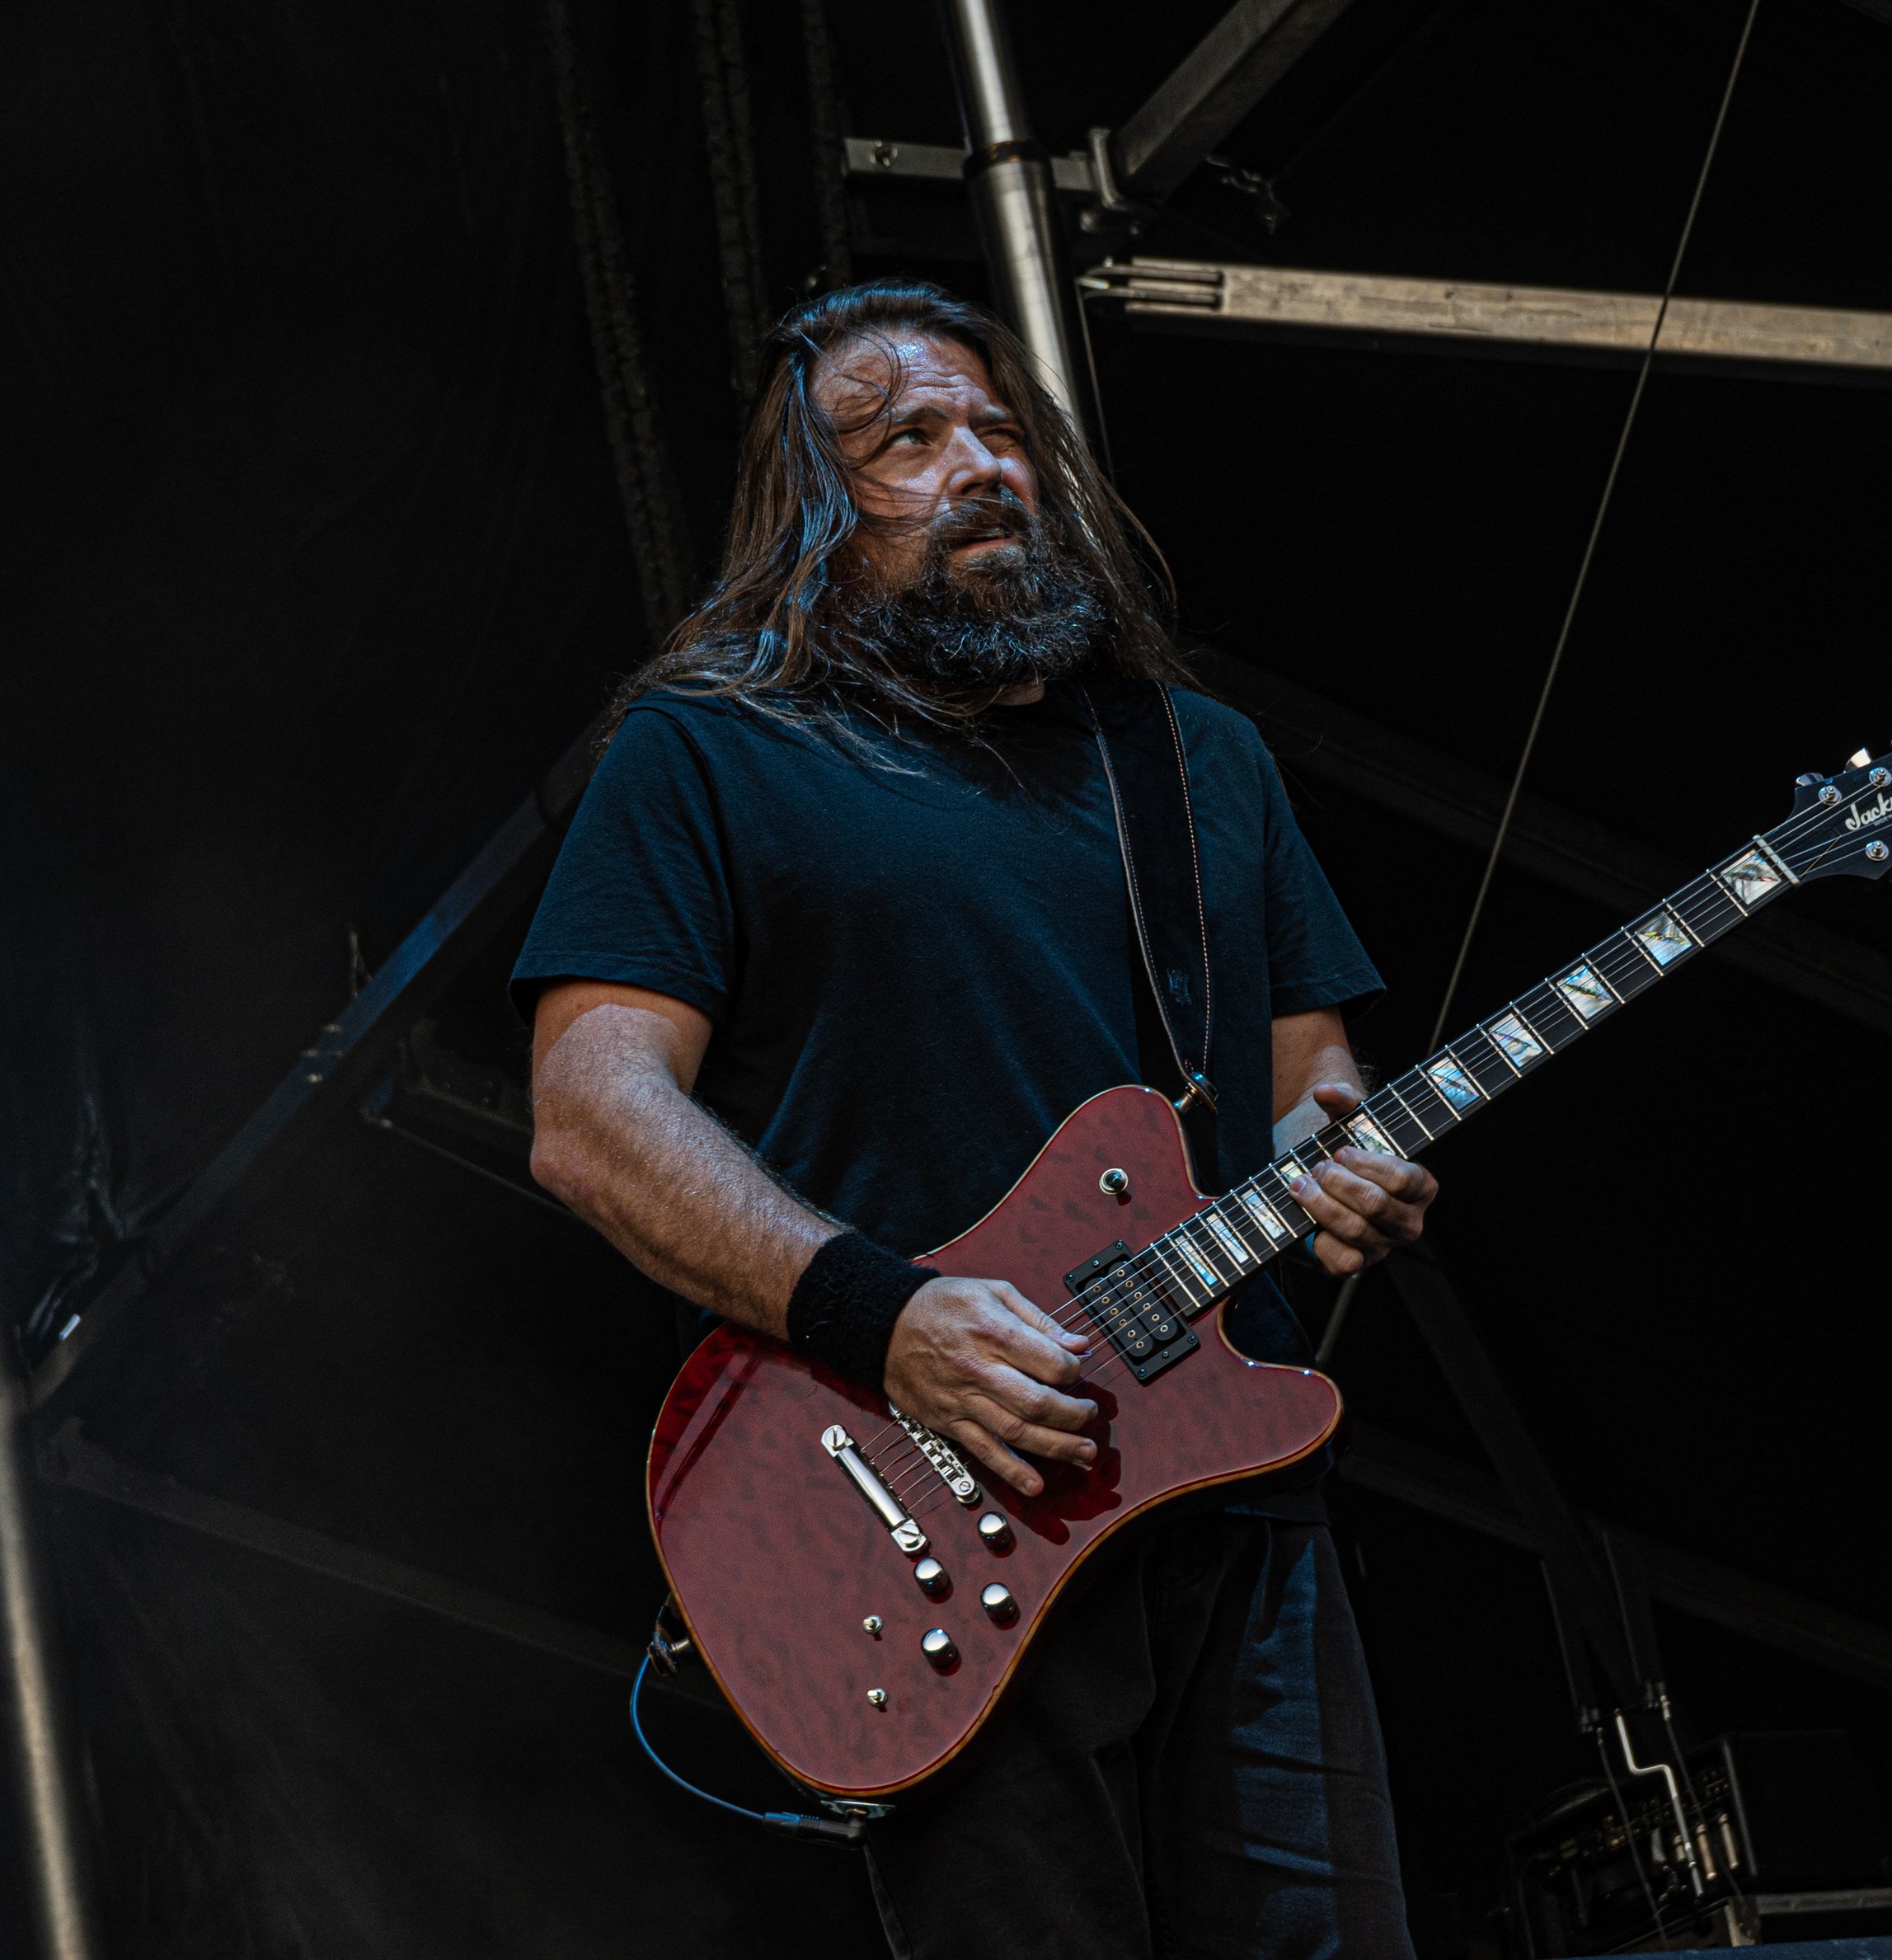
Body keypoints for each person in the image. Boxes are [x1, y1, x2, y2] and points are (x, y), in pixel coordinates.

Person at [515, 278, 1437, 1960]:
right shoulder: (715, 750)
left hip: (1233, 1493)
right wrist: (887, 1313)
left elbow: (1310, 1065)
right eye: (909, 439)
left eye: (1002, 431)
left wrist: (1340, 1153)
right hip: (930, 1507)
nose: (980, 465)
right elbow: (586, 1114)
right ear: (812, 501)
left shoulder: (1195, 757)